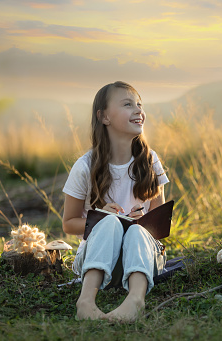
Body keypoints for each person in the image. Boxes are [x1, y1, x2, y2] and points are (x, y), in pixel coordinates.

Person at [62, 81, 169, 322]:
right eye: (127, 104)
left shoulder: (150, 160)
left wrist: (143, 222)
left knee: (137, 231)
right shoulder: (84, 166)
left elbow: (159, 226)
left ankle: (135, 300)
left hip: (140, 258)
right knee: (109, 224)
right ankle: (86, 301)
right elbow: (68, 224)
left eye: (139, 104)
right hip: (95, 261)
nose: (138, 110)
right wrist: (102, 217)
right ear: (104, 117)